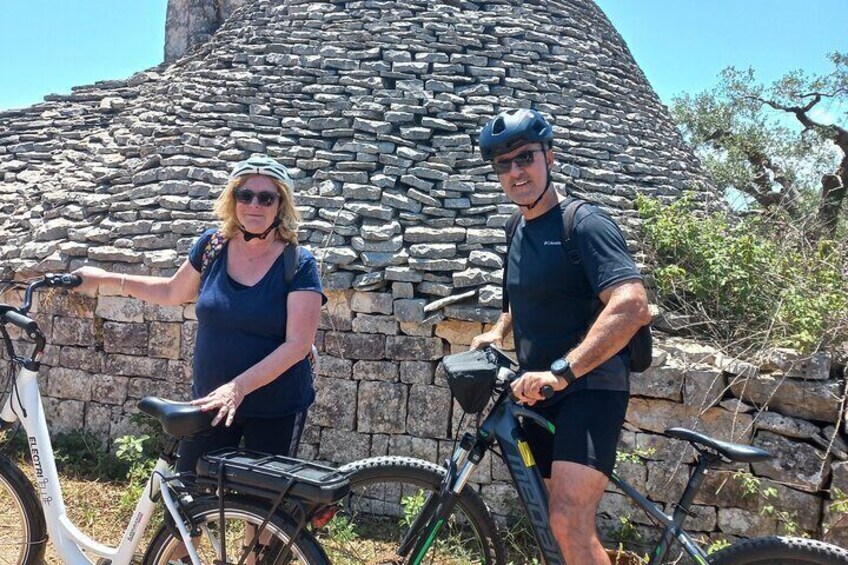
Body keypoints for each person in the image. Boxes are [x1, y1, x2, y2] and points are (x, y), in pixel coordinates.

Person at [470, 109, 651, 565]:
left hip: (588, 388)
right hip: (541, 390)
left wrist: (563, 371)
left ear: (549, 156)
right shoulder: (516, 228)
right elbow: (520, 294)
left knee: (568, 520)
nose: (515, 172)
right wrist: (497, 330)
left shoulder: (585, 223)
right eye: (503, 164)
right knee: (560, 523)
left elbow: (631, 305)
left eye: (525, 157)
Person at [74, 155, 325, 474]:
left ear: (281, 205)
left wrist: (238, 388)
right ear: (232, 200)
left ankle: (258, 526)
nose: (254, 205)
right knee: (188, 499)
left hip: (275, 409)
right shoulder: (213, 246)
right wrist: (107, 279)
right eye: (245, 195)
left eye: (266, 197)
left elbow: (298, 345)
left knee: (260, 512)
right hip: (211, 403)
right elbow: (171, 292)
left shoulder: (298, 263)